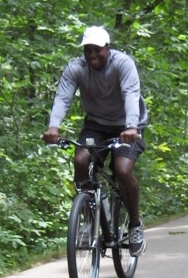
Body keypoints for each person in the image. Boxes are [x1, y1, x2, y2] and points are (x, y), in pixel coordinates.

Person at [43, 26, 148, 256]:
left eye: (97, 50)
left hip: (127, 126)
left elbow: (131, 94)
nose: (92, 55)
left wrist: (131, 126)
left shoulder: (123, 64)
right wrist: (53, 127)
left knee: (122, 169)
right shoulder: (76, 68)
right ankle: (89, 217)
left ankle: (135, 225)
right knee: (81, 160)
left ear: (107, 48)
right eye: (87, 50)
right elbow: (63, 98)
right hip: (96, 125)